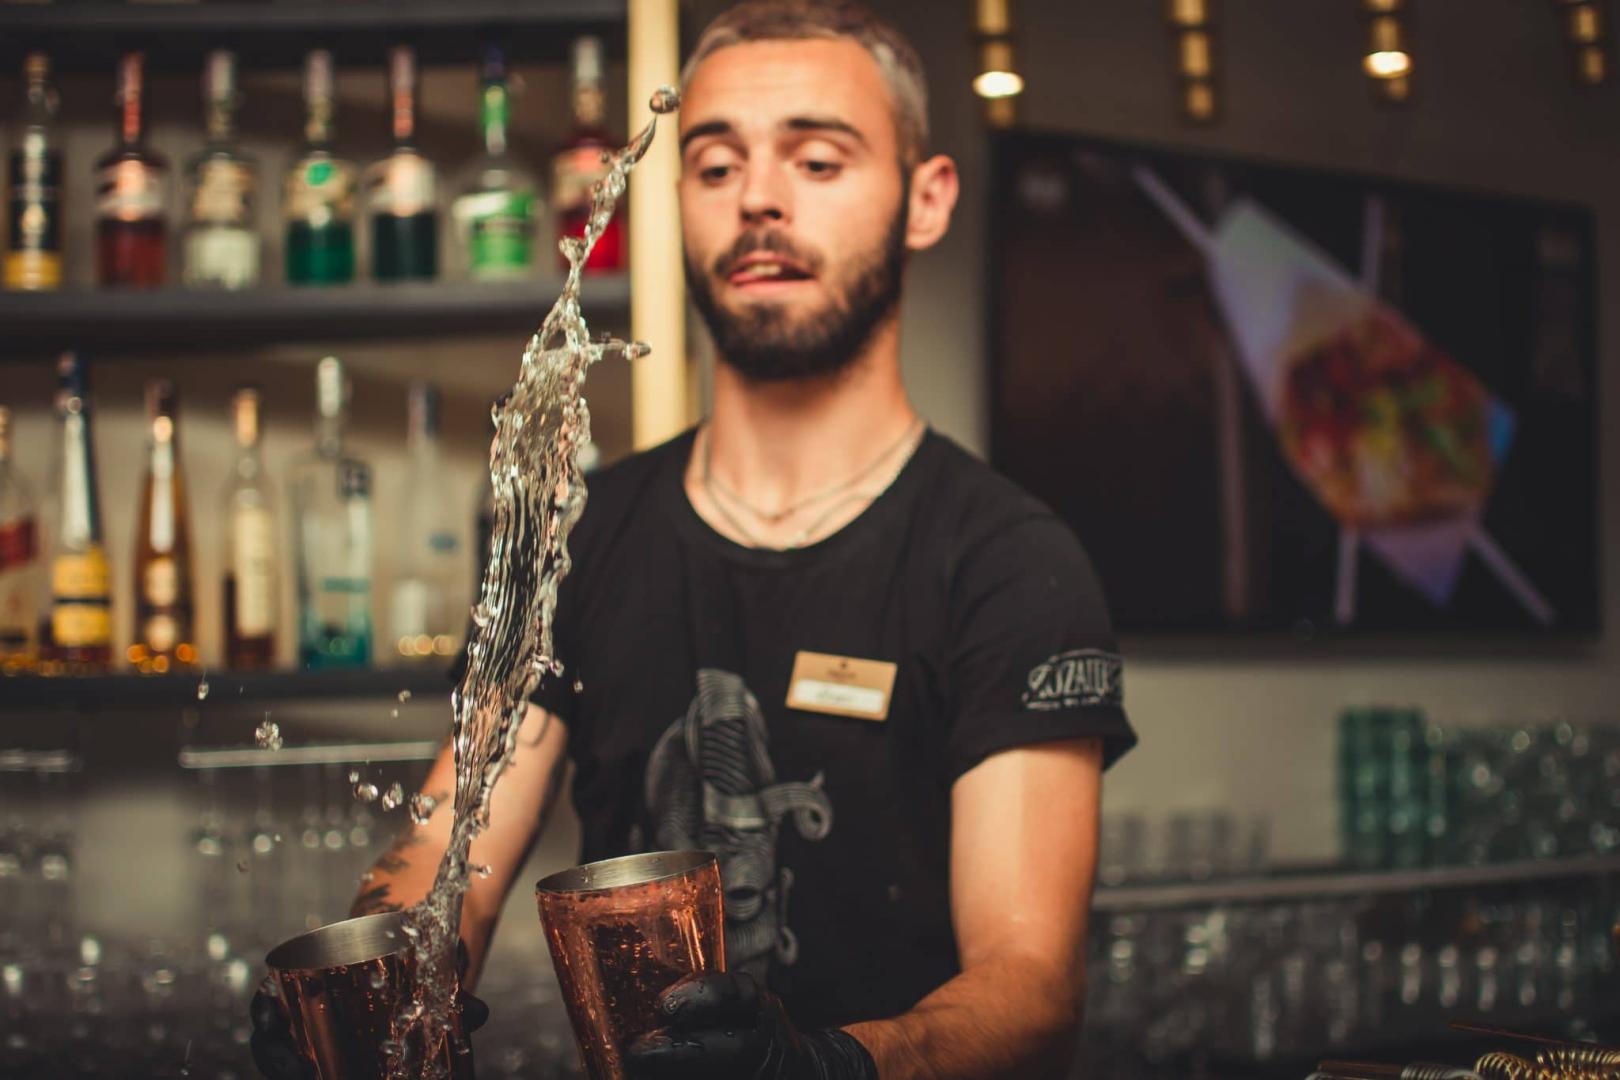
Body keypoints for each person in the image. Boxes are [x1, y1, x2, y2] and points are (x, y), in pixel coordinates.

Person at [254, 2, 1136, 1077]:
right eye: (715, 166)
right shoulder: (570, 535)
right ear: (677, 202)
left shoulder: (1010, 562)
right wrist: (368, 981)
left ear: (926, 198)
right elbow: (447, 848)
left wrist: (829, 1067)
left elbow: (1032, 985)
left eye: (817, 159)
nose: (758, 198)